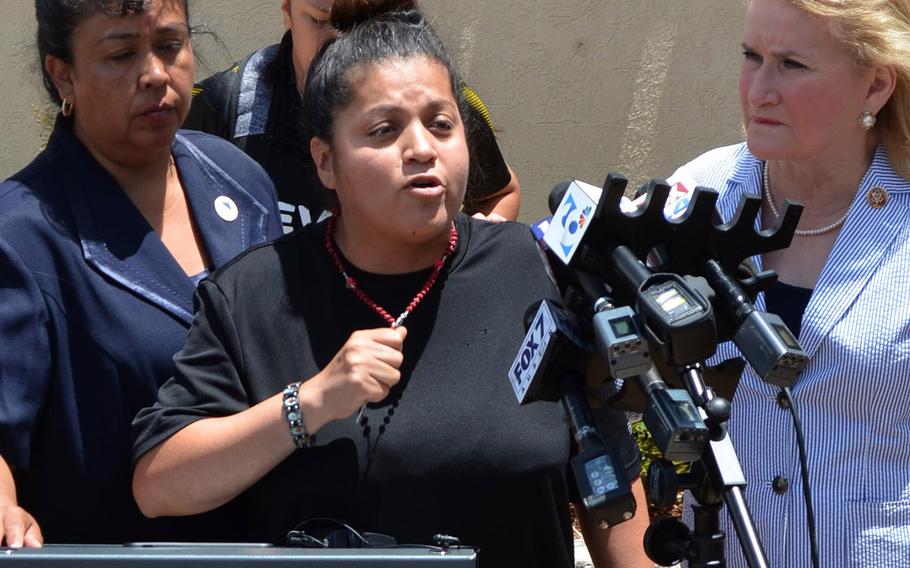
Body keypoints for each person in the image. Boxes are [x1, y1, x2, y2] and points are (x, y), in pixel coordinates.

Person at [131, 5, 652, 567]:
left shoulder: (540, 274)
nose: (422, 148)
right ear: (325, 161)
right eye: (384, 130)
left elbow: (612, 485)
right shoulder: (253, 295)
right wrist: (308, 404)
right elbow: (160, 484)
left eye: (441, 123)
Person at [0, 0, 281, 546]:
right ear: (64, 75)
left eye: (171, 46)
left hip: (268, 549)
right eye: (122, 54)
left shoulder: (242, 181)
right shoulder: (21, 234)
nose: (155, 74)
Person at [663, 0, 910, 565]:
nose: (758, 90)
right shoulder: (694, 196)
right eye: (752, 57)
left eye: (791, 64)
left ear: (874, 87)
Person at [183, 0, 521, 234]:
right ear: (287, 10)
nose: (338, 43)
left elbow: (500, 193)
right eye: (319, 20)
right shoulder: (226, 102)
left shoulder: (434, 103)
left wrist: (477, 251)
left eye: (360, 23)